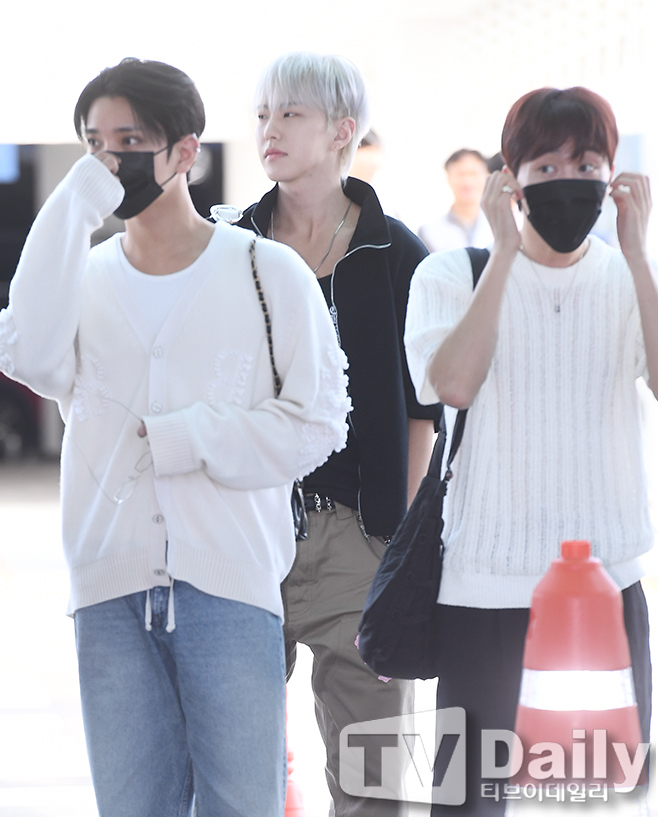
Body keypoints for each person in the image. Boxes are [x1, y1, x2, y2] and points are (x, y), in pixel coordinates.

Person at [0, 57, 351, 817]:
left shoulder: (267, 272)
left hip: (230, 591)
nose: (108, 161)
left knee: (242, 806)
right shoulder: (81, 277)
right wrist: (72, 205)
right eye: (93, 143)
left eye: (129, 141)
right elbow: (26, 353)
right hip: (110, 595)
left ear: (185, 150)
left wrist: (191, 437)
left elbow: (319, 423)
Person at [405, 87, 655, 815]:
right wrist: (504, 254)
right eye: (545, 167)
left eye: (586, 165)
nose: (567, 182)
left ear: (613, 176)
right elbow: (452, 385)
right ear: (509, 179)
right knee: (471, 799)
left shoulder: (628, 276)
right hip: (485, 587)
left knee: (596, 796)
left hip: (606, 584)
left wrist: (637, 255)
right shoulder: (449, 274)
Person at [230, 52, 441, 817]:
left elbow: (422, 410)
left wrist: (393, 540)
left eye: (290, 113)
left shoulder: (399, 254)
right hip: (244, 536)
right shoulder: (231, 247)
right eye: (263, 114)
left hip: (359, 539)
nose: (270, 130)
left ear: (342, 129)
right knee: (233, 765)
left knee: (372, 776)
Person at [418, 149, 493, 252]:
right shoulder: (429, 232)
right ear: (449, 177)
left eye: (473, 174)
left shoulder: (502, 227)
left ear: (487, 176)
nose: (467, 181)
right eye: (461, 174)